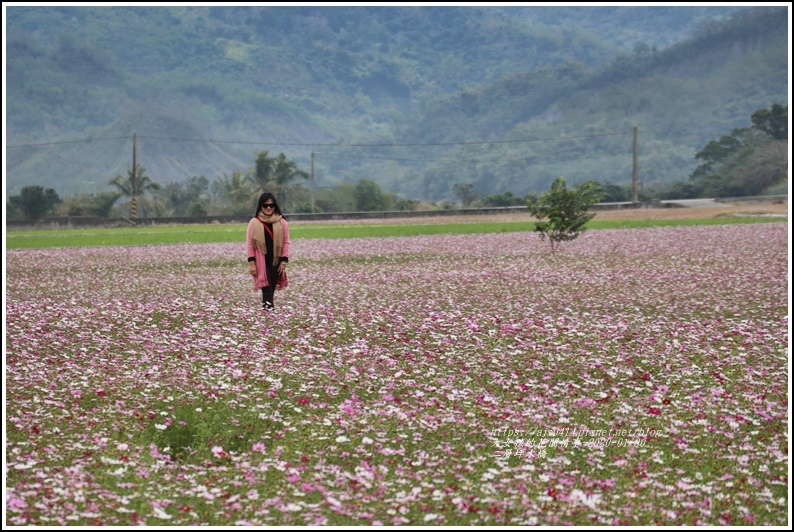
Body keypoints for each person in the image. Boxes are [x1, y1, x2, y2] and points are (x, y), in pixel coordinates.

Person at [246, 192, 290, 311]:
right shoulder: (254, 222)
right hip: (261, 262)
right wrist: (252, 263)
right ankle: (269, 313)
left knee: (271, 290)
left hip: (276, 262)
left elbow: (286, 242)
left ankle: (268, 315)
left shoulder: (282, 222)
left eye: (271, 205)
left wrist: (284, 261)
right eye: (265, 205)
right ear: (260, 206)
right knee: (266, 289)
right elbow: (250, 244)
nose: (269, 208)